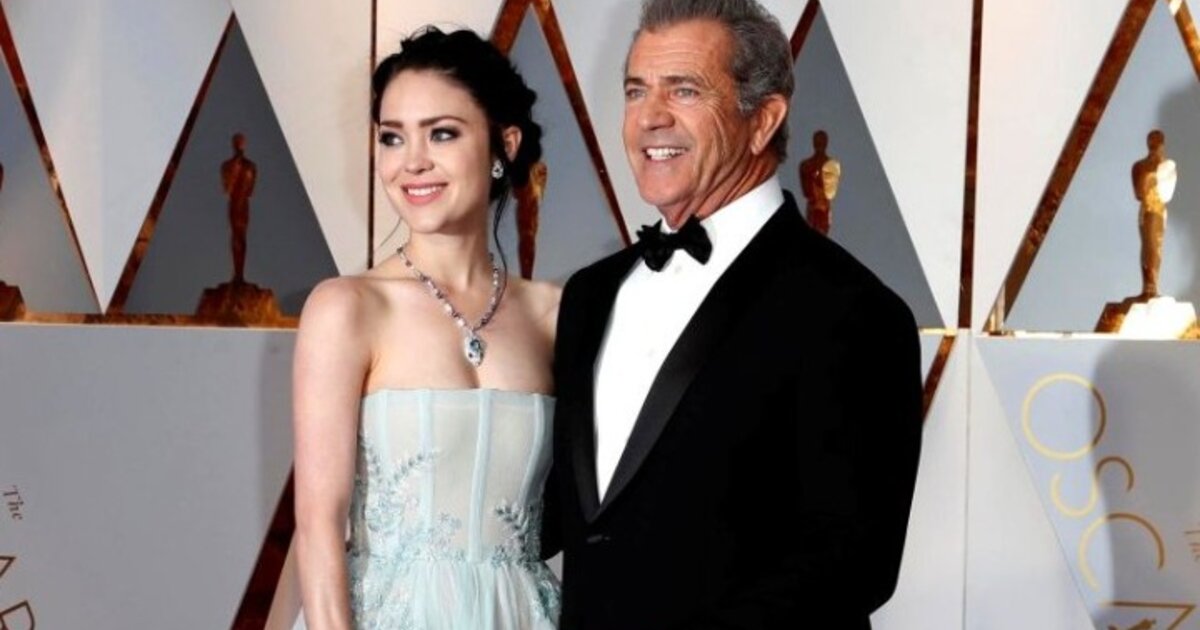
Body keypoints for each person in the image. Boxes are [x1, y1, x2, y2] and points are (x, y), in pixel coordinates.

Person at [542, 1, 923, 628]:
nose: (650, 117)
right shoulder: (589, 295)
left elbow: (854, 562)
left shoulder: (852, 311)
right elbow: (562, 516)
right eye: (636, 91)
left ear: (763, 120)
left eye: (684, 90)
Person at [292, 27, 561, 629]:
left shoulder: (554, 315)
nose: (411, 161)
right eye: (393, 137)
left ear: (504, 144)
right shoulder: (348, 308)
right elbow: (317, 523)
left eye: (442, 133)